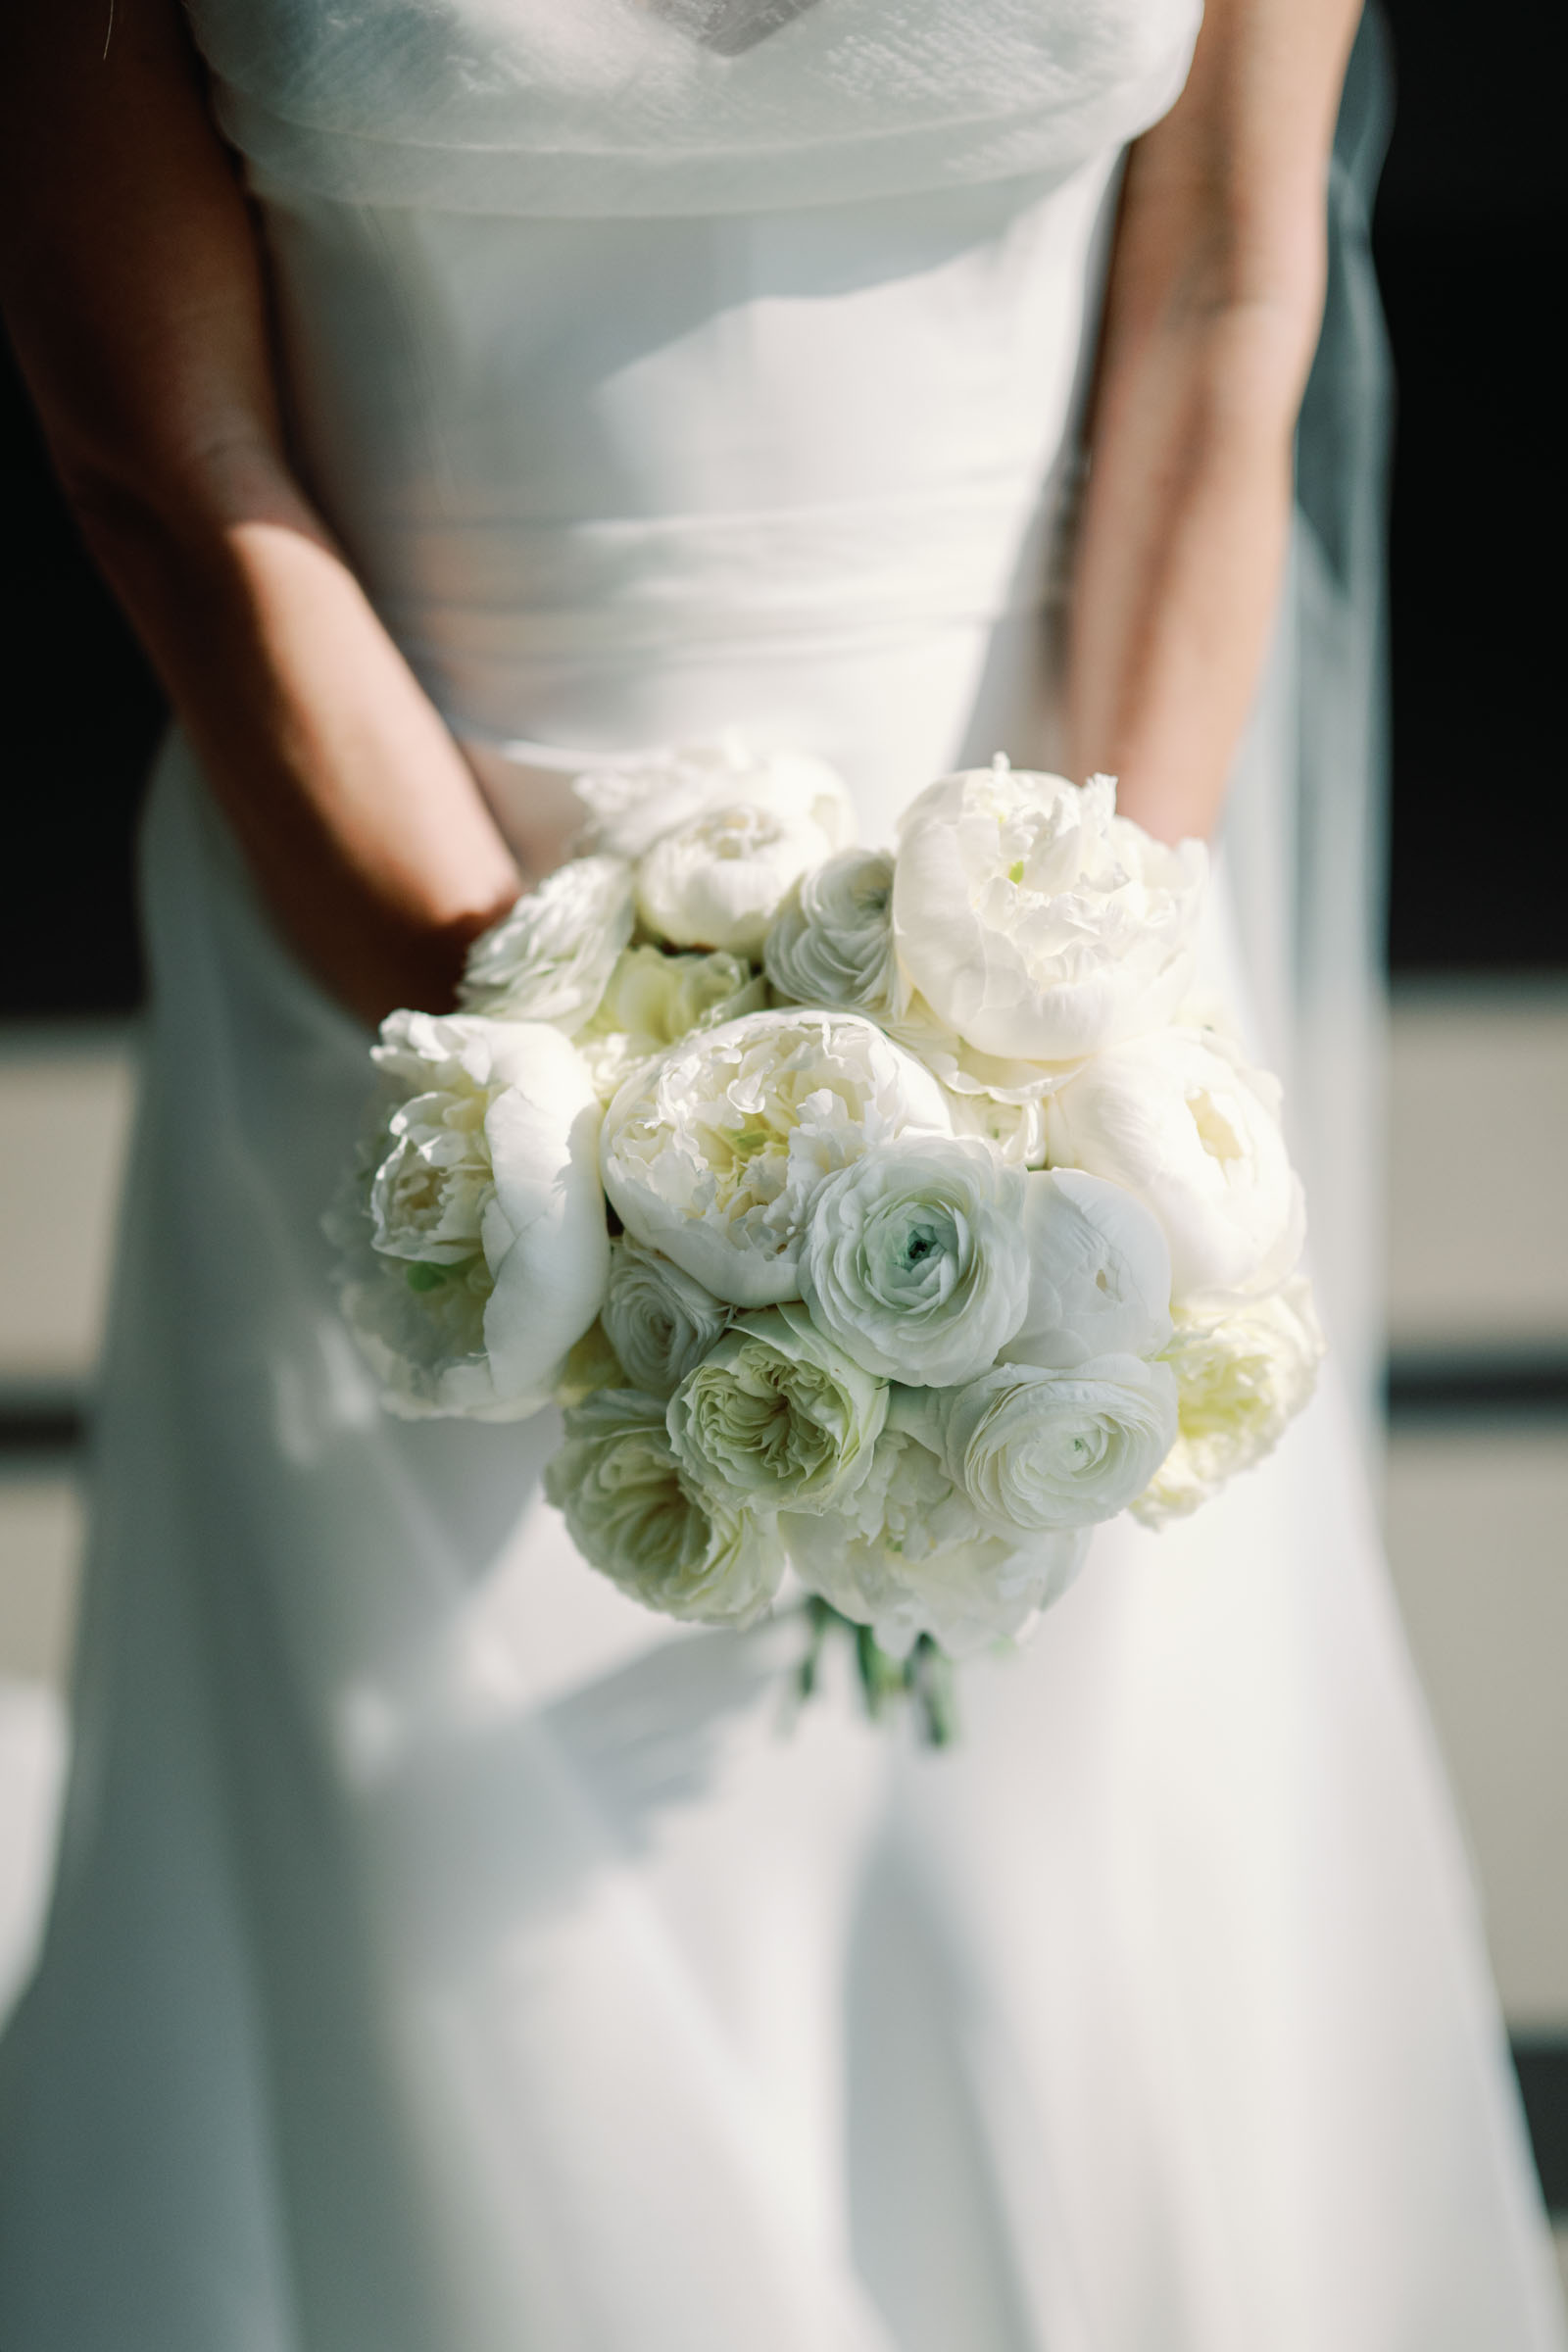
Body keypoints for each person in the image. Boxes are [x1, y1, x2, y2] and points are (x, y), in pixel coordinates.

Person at [0, 2, 1561, 2344]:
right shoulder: (460, 1048)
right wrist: (563, 1122)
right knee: (443, 1943)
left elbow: (1227, 297)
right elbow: (161, 436)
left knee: (1047, 1890)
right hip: (396, 967)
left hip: (1057, 898)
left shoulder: (1071, 1022)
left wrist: (1055, 1046)